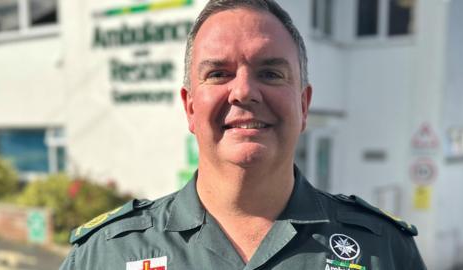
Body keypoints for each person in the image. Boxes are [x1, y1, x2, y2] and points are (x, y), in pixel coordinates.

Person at [60, 0, 427, 269]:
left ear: (303, 105)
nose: (244, 92)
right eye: (219, 74)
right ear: (190, 107)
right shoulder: (105, 255)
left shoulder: (385, 251)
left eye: (270, 73)